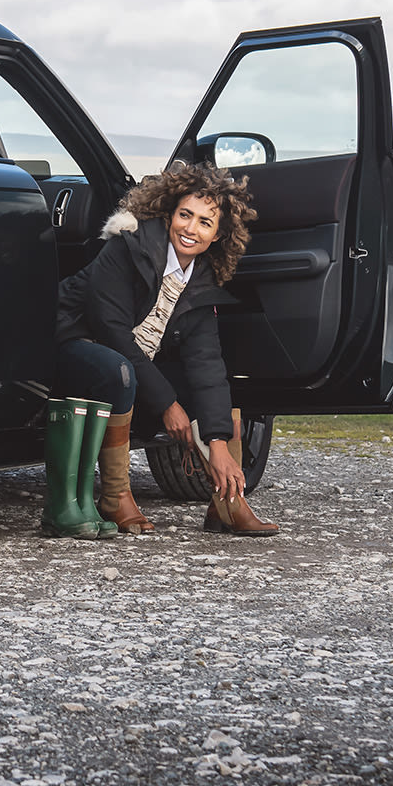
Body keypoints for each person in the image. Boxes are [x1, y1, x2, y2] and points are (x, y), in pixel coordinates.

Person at [47, 159, 278, 537]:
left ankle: (228, 504)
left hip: (129, 364)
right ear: (170, 212)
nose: (191, 228)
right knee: (118, 369)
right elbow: (113, 333)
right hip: (72, 348)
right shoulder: (129, 246)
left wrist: (217, 442)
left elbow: (205, 362)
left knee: (211, 393)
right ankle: (115, 496)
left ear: (217, 235)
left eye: (205, 222)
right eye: (185, 215)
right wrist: (168, 405)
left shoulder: (201, 281)